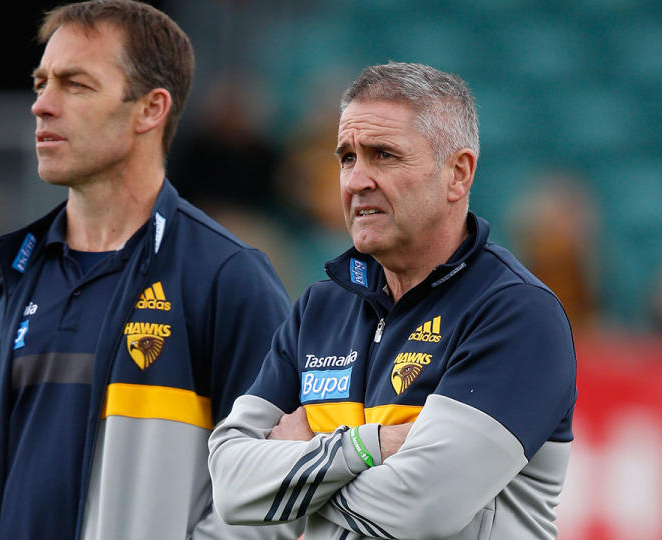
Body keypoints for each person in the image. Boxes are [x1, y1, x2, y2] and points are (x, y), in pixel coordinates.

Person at [0, 2, 298, 539]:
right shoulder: (4, 274)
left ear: (150, 109)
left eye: (74, 84)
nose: (42, 106)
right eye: (40, 82)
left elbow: (277, 491)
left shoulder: (227, 277)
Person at [208, 62, 577, 539]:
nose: (355, 181)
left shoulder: (516, 313)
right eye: (346, 158)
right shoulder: (319, 309)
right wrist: (369, 446)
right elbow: (231, 488)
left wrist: (294, 477)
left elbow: (418, 512)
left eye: (382, 155)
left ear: (458, 174)